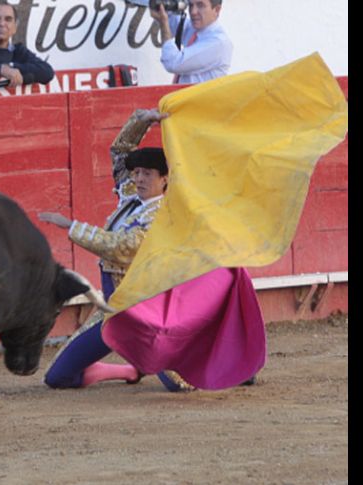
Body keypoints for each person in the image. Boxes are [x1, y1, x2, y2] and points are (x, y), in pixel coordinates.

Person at [38, 108, 264, 392]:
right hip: (114, 307)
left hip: (148, 310)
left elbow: (122, 248)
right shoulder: (131, 194)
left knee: (180, 383)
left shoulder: (162, 216)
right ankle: (128, 370)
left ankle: (235, 368)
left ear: (165, 180)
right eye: (138, 173)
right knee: (58, 377)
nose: (140, 178)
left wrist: (72, 227)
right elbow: (121, 151)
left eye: (148, 173)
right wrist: (141, 121)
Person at [150, 0, 232, 84]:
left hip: (200, 97)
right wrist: (160, 6)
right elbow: (171, 20)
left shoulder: (218, 42)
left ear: (217, 10)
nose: (193, 12)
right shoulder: (196, 29)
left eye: (200, 5)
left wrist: (164, 23)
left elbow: (173, 62)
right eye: (191, 5)